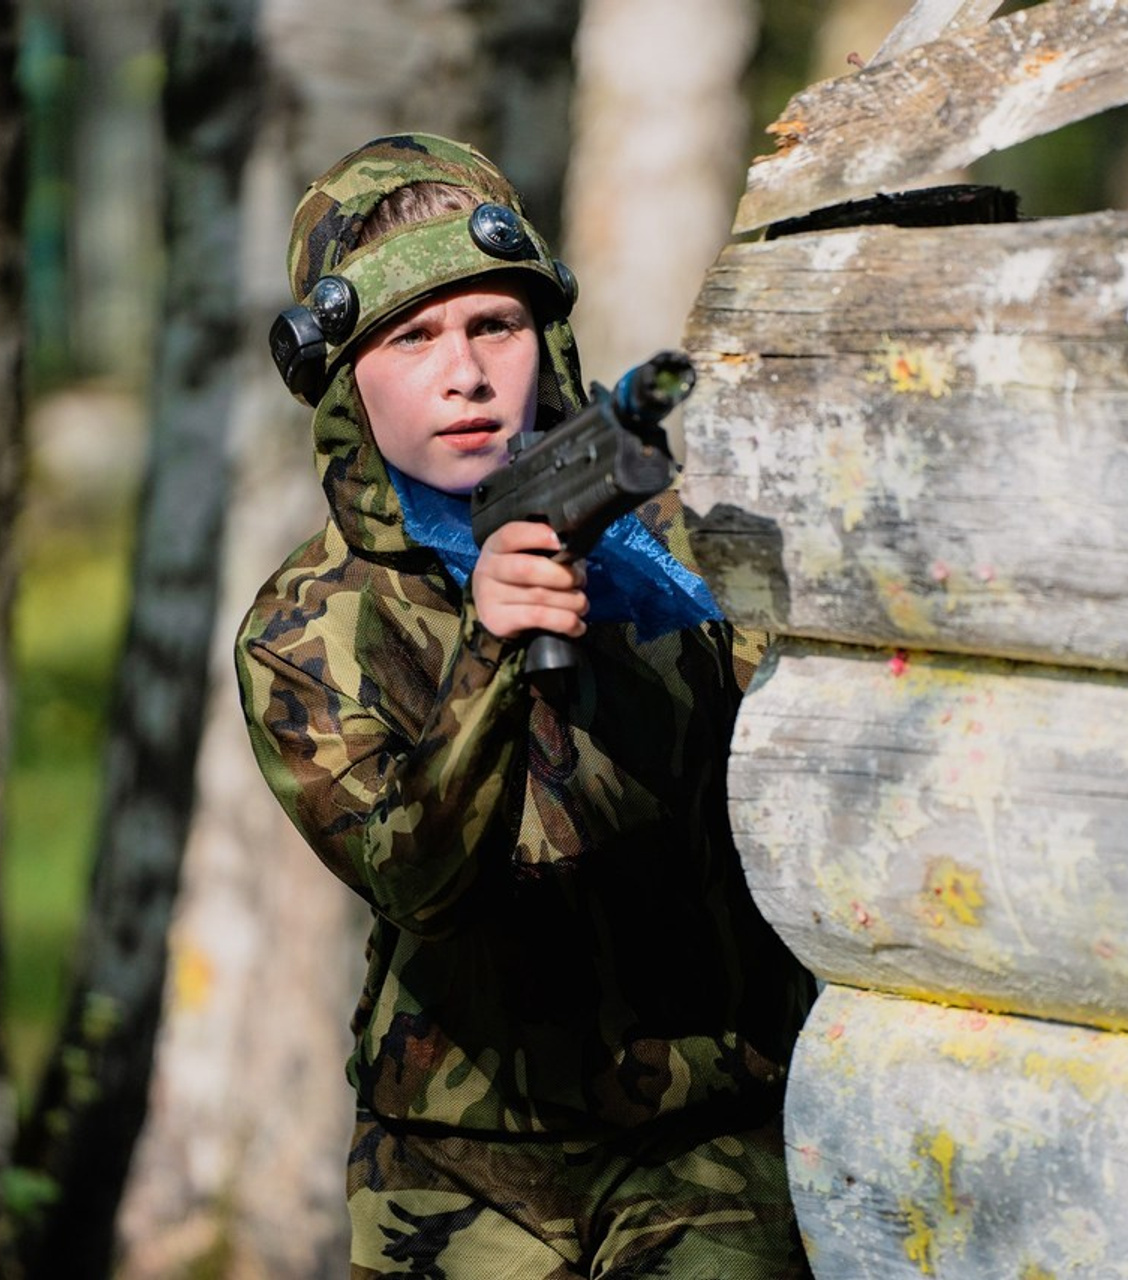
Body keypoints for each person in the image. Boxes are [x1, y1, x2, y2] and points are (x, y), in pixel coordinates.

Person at [235, 132, 815, 1278]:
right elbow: (417, 879)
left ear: (543, 336)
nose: (463, 373)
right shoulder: (304, 624)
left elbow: (811, 768)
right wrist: (491, 649)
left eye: (492, 324)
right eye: (411, 337)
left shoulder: (680, 548)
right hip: (453, 1158)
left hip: (711, 1127)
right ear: (340, 377)